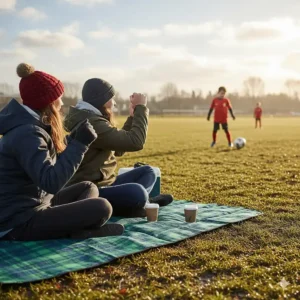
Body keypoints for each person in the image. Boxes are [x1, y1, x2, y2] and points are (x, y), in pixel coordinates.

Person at [0, 63, 124, 241]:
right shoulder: (27, 133)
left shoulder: (32, 127)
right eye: (59, 97)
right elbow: (51, 182)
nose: (62, 103)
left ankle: (77, 228)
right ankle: (78, 229)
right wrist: (79, 144)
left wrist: (73, 139)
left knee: (88, 187)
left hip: (36, 203)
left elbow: (48, 169)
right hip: (17, 221)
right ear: (48, 102)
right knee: (102, 207)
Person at [64, 78, 173, 218]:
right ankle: (138, 203)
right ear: (101, 100)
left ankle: (140, 203)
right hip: (92, 190)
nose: (114, 103)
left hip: (107, 183)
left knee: (148, 172)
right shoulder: (92, 122)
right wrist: (141, 108)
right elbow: (136, 142)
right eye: (111, 98)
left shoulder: (92, 117)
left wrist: (133, 117)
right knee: (137, 192)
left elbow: (118, 149)